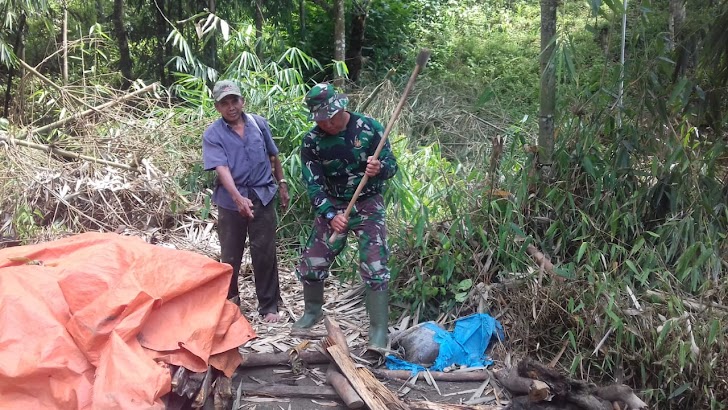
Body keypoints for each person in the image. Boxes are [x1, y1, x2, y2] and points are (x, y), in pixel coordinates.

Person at [293, 83, 398, 349]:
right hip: (334, 204)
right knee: (313, 262)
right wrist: (330, 214)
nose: (327, 123)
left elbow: (392, 166)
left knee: (375, 267)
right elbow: (313, 184)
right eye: (321, 119)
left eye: (331, 116)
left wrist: (379, 168)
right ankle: (312, 311)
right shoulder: (312, 141)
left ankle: (378, 330)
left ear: (342, 107)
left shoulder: (370, 127)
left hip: (368, 204)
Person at [202, 80, 289, 323]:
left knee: (265, 251)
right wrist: (238, 197)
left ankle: (269, 305)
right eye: (224, 103)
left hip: (263, 195)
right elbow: (221, 168)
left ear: (242, 101)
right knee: (231, 254)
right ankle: (231, 300)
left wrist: (281, 184)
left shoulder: (258, 124)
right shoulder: (213, 134)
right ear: (217, 107)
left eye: (234, 100)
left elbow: (273, 155)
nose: (231, 107)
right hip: (231, 202)